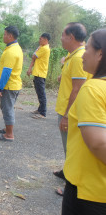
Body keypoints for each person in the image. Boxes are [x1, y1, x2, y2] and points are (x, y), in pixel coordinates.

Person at [62, 29, 106, 214]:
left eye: (87, 48)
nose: (83, 53)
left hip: (89, 191)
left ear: (100, 54)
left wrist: (65, 115)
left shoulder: (93, 89)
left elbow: (98, 143)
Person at [54, 23, 88, 196]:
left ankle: (72, 185)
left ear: (71, 37)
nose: (61, 38)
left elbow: (77, 88)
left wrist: (67, 115)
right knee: (68, 146)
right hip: (65, 109)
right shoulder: (72, 56)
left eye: (63, 34)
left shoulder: (78, 57)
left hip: (71, 113)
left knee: (72, 149)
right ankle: (66, 172)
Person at [0, 26, 23, 141]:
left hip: (9, 85)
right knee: (7, 107)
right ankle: (7, 129)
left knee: (7, 108)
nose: (3, 36)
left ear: (10, 36)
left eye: (5, 34)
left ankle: (9, 135)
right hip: (14, 84)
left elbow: (6, 72)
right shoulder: (15, 48)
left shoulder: (11, 51)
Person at [27, 33, 51, 119]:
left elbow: (34, 56)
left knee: (41, 93)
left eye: (40, 39)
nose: (39, 40)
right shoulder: (41, 47)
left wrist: (30, 67)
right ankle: (40, 109)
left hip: (40, 73)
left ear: (45, 40)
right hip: (37, 72)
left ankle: (43, 113)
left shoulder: (44, 48)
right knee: (39, 92)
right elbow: (34, 57)